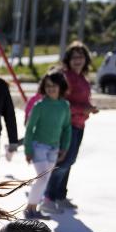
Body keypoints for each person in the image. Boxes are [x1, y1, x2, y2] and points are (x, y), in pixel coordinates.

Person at [44, 41, 99, 213]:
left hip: (80, 124)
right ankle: (49, 198)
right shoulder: (66, 76)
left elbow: (82, 100)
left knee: (70, 162)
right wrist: (84, 108)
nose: (78, 60)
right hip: (67, 126)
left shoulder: (82, 77)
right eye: (74, 57)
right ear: (68, 59)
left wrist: (90, 106)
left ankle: (60, 195)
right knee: (64, 161)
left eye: (81, 56)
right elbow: (61, 102)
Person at [23, 70, 71, 220]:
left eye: (54, 85)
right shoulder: (39, 105)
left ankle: (34, 209)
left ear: (61, 86)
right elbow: (30, 129)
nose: (51, 88)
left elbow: (67, 127)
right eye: (48, 85)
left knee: (45, 179)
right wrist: (28, 149)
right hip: (39, 147)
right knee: (42, 178)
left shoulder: (64, 105)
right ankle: (29, 208)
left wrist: (64, 147)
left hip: (54, 148)